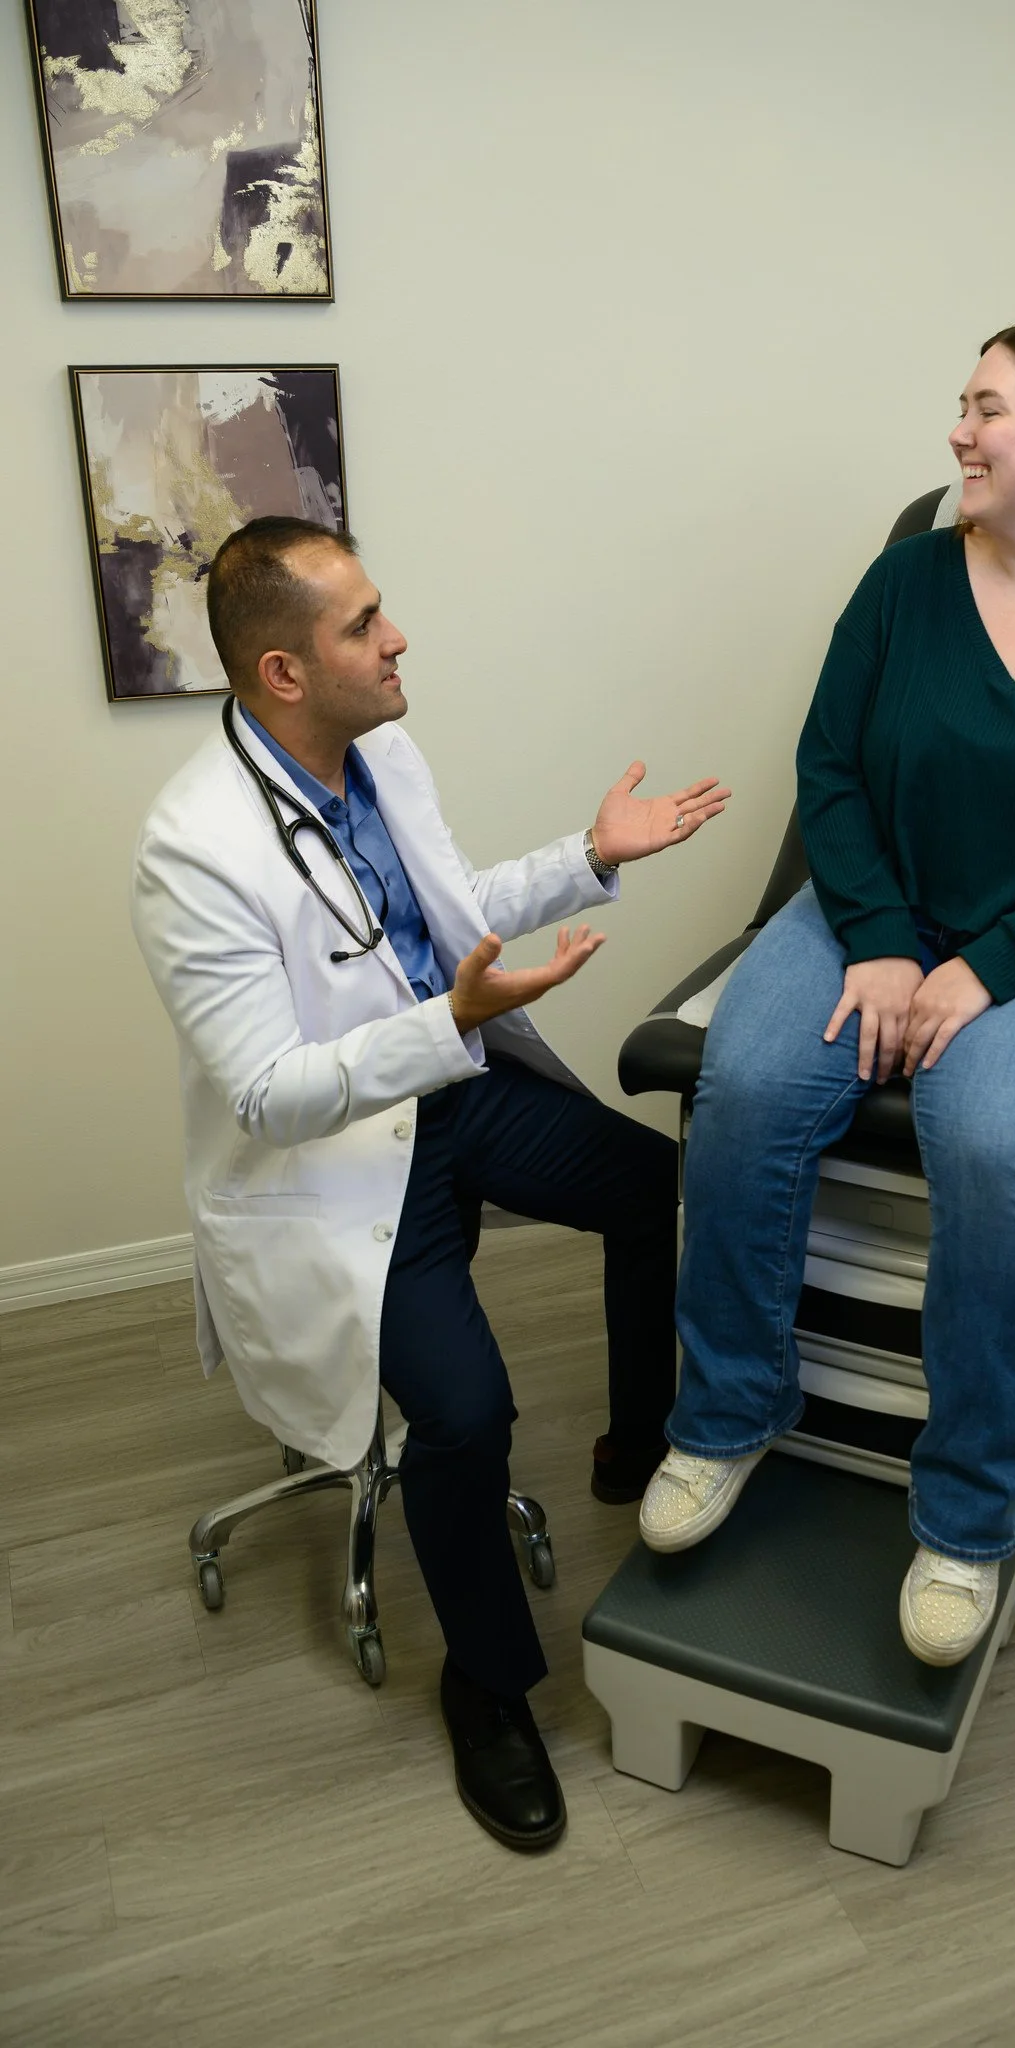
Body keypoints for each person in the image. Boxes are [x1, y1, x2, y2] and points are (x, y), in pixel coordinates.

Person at [638, 318, 1015, 1668]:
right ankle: (727, 1416)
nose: (959, 434)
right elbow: (831, 768)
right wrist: (874, 938)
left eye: (987, 410)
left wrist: (989, 966)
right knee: (744, 1085)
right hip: (879, 910)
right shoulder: (910, 580)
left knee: (987, 1136)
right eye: (962, 409)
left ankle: (970, 1515)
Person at [132, 516, 728, 1852]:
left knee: (649, 1186)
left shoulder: (380, 751)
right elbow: (269, 1093)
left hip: (449, 1095)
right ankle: (490, 1686)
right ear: (284, 672)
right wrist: (445, 1026)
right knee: (465, 1416)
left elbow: (448, 912)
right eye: (364, 624)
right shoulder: (194, 850)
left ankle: (640, 1444)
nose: (397, 638)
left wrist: (593, 854)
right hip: (341, 1161)